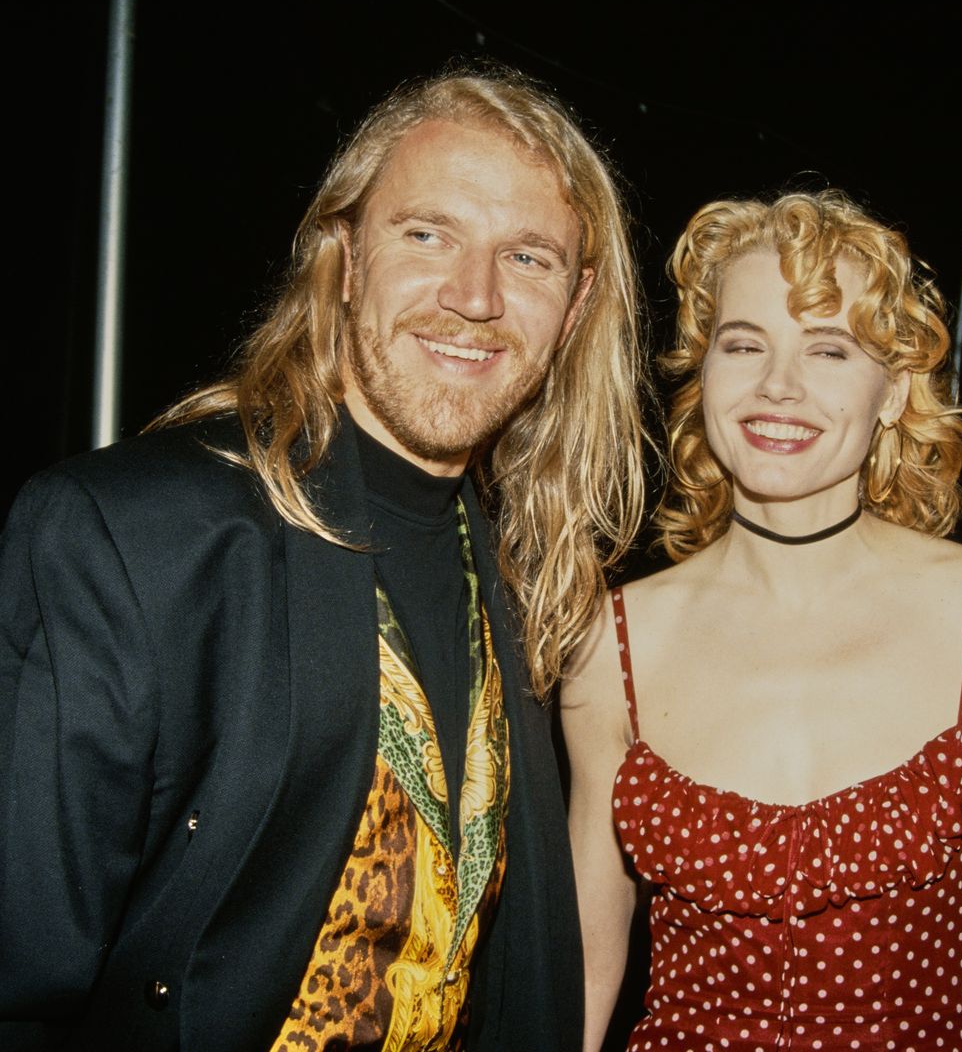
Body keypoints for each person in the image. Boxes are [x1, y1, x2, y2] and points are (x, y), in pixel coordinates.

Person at [0, 67, 647, 1051]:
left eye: (528, 257)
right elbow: (24, 968)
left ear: (576, 302)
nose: (474, 298)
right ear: (343, 254)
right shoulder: (132, 534)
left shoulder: (530, 572)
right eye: (425, 235)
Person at [564, 191, 962, 1051]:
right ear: (704, 372)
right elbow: (581, 968)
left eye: (828, 349)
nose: (778, 386)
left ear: (896, 390)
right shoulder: (611, 645)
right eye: (744, 344)